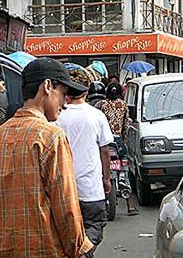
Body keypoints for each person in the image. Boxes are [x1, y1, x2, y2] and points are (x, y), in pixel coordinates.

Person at [0, 58, 94, 257]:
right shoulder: (51, 137)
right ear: (47, 86)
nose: (65, 104)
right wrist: (79, 249)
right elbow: (66, 209)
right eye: (63, 94)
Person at [56, 67, 114, 257]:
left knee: (64, 234)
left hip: (62, 190)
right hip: (90, 188)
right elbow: (105, 151)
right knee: (94, 227)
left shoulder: (56, 116)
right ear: (87, 91)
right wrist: (107, 179)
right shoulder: (96, 116)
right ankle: (83, 253)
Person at [94, 82, 139, 216]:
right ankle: (130, 205)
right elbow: (126, 125)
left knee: (100, 169)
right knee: (124, 170)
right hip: (118, 142)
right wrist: (123, 142)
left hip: (104, 143)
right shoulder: (123, 105)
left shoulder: (100, 105)